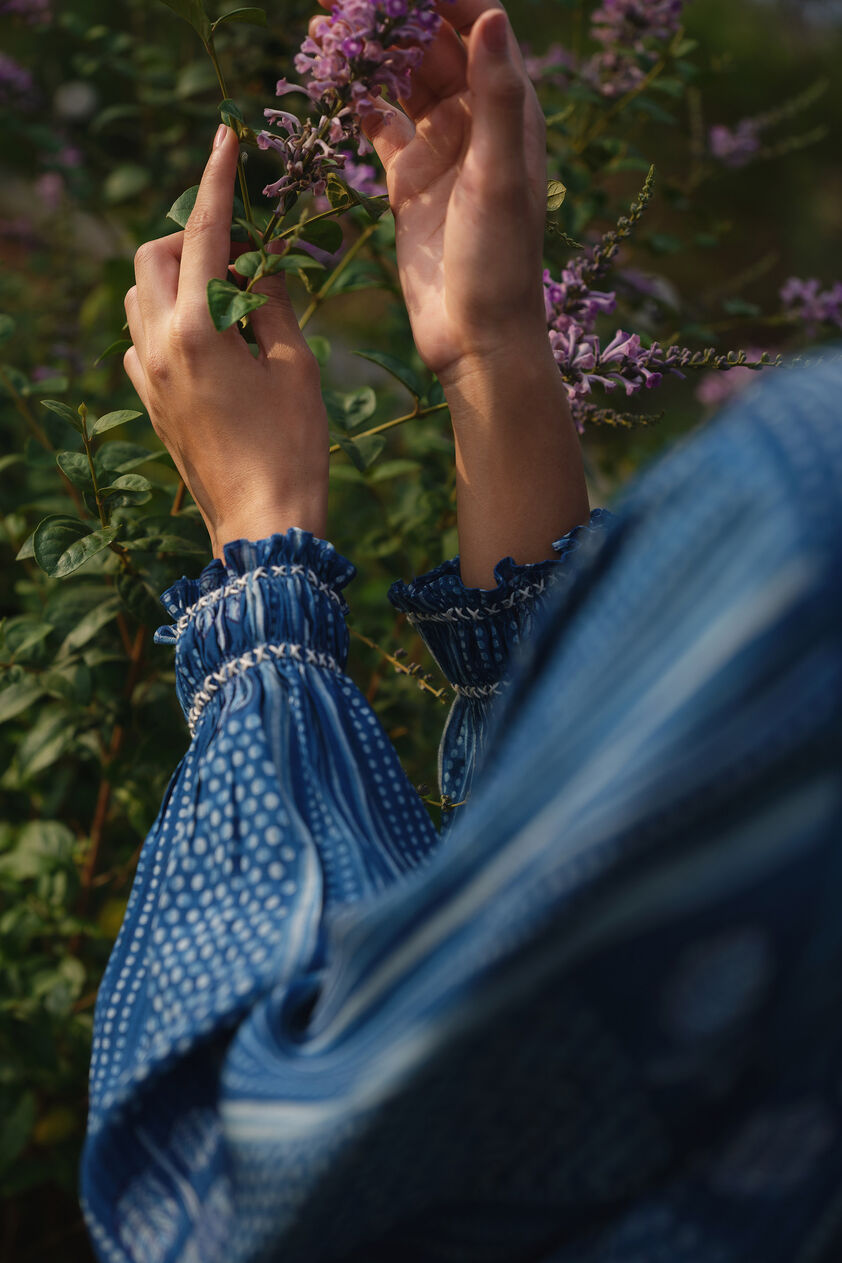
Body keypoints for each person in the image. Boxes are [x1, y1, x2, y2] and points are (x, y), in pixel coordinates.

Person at [81, 1, 842, 1260]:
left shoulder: (805, 501)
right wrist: (494, 351)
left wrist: (261, 567)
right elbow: (553, 882)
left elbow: (239, 1193)